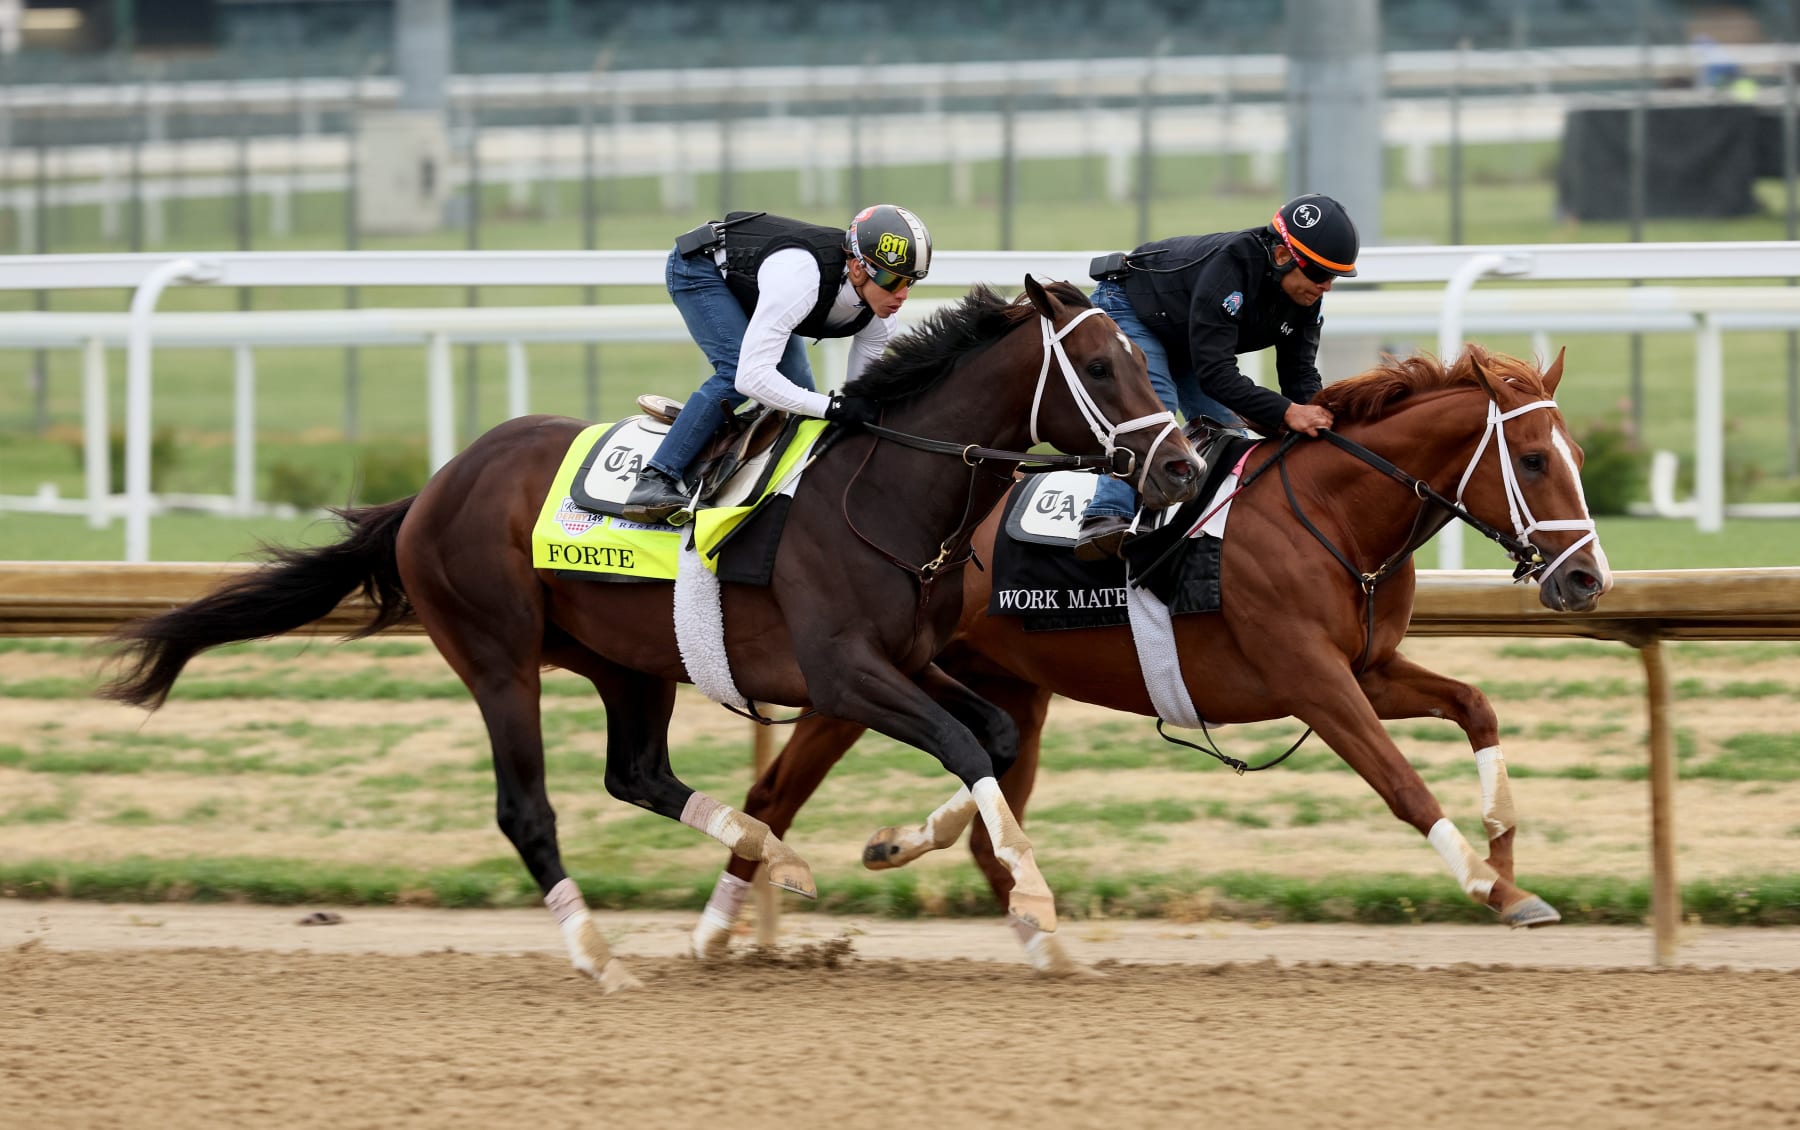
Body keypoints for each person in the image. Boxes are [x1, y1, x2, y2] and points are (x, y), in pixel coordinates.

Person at [1073, 193, 1360, 560]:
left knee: (1227, 432)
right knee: (1158, 406)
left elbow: (1299, 375)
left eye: (1335, 277)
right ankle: (1105, 517)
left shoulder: (1307, 297)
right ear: (1283, 256)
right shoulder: (1231, 267)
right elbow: (1216, 375)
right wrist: (1286, 413)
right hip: (1132, 307)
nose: (1327, 287)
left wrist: (1321, 421)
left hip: (1184, 331)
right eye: (1320, 274)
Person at [621, 204, 933, 524]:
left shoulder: (879, 320)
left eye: (911, 282)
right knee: (734, 370)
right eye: (894, 281)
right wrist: (833, 408)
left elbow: (858, 402)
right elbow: (751, 378)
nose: (903, 295)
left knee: (801, 401)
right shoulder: (802, 278)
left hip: (754, 282)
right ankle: (654, 479)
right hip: (701, 267)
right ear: (856, 268)